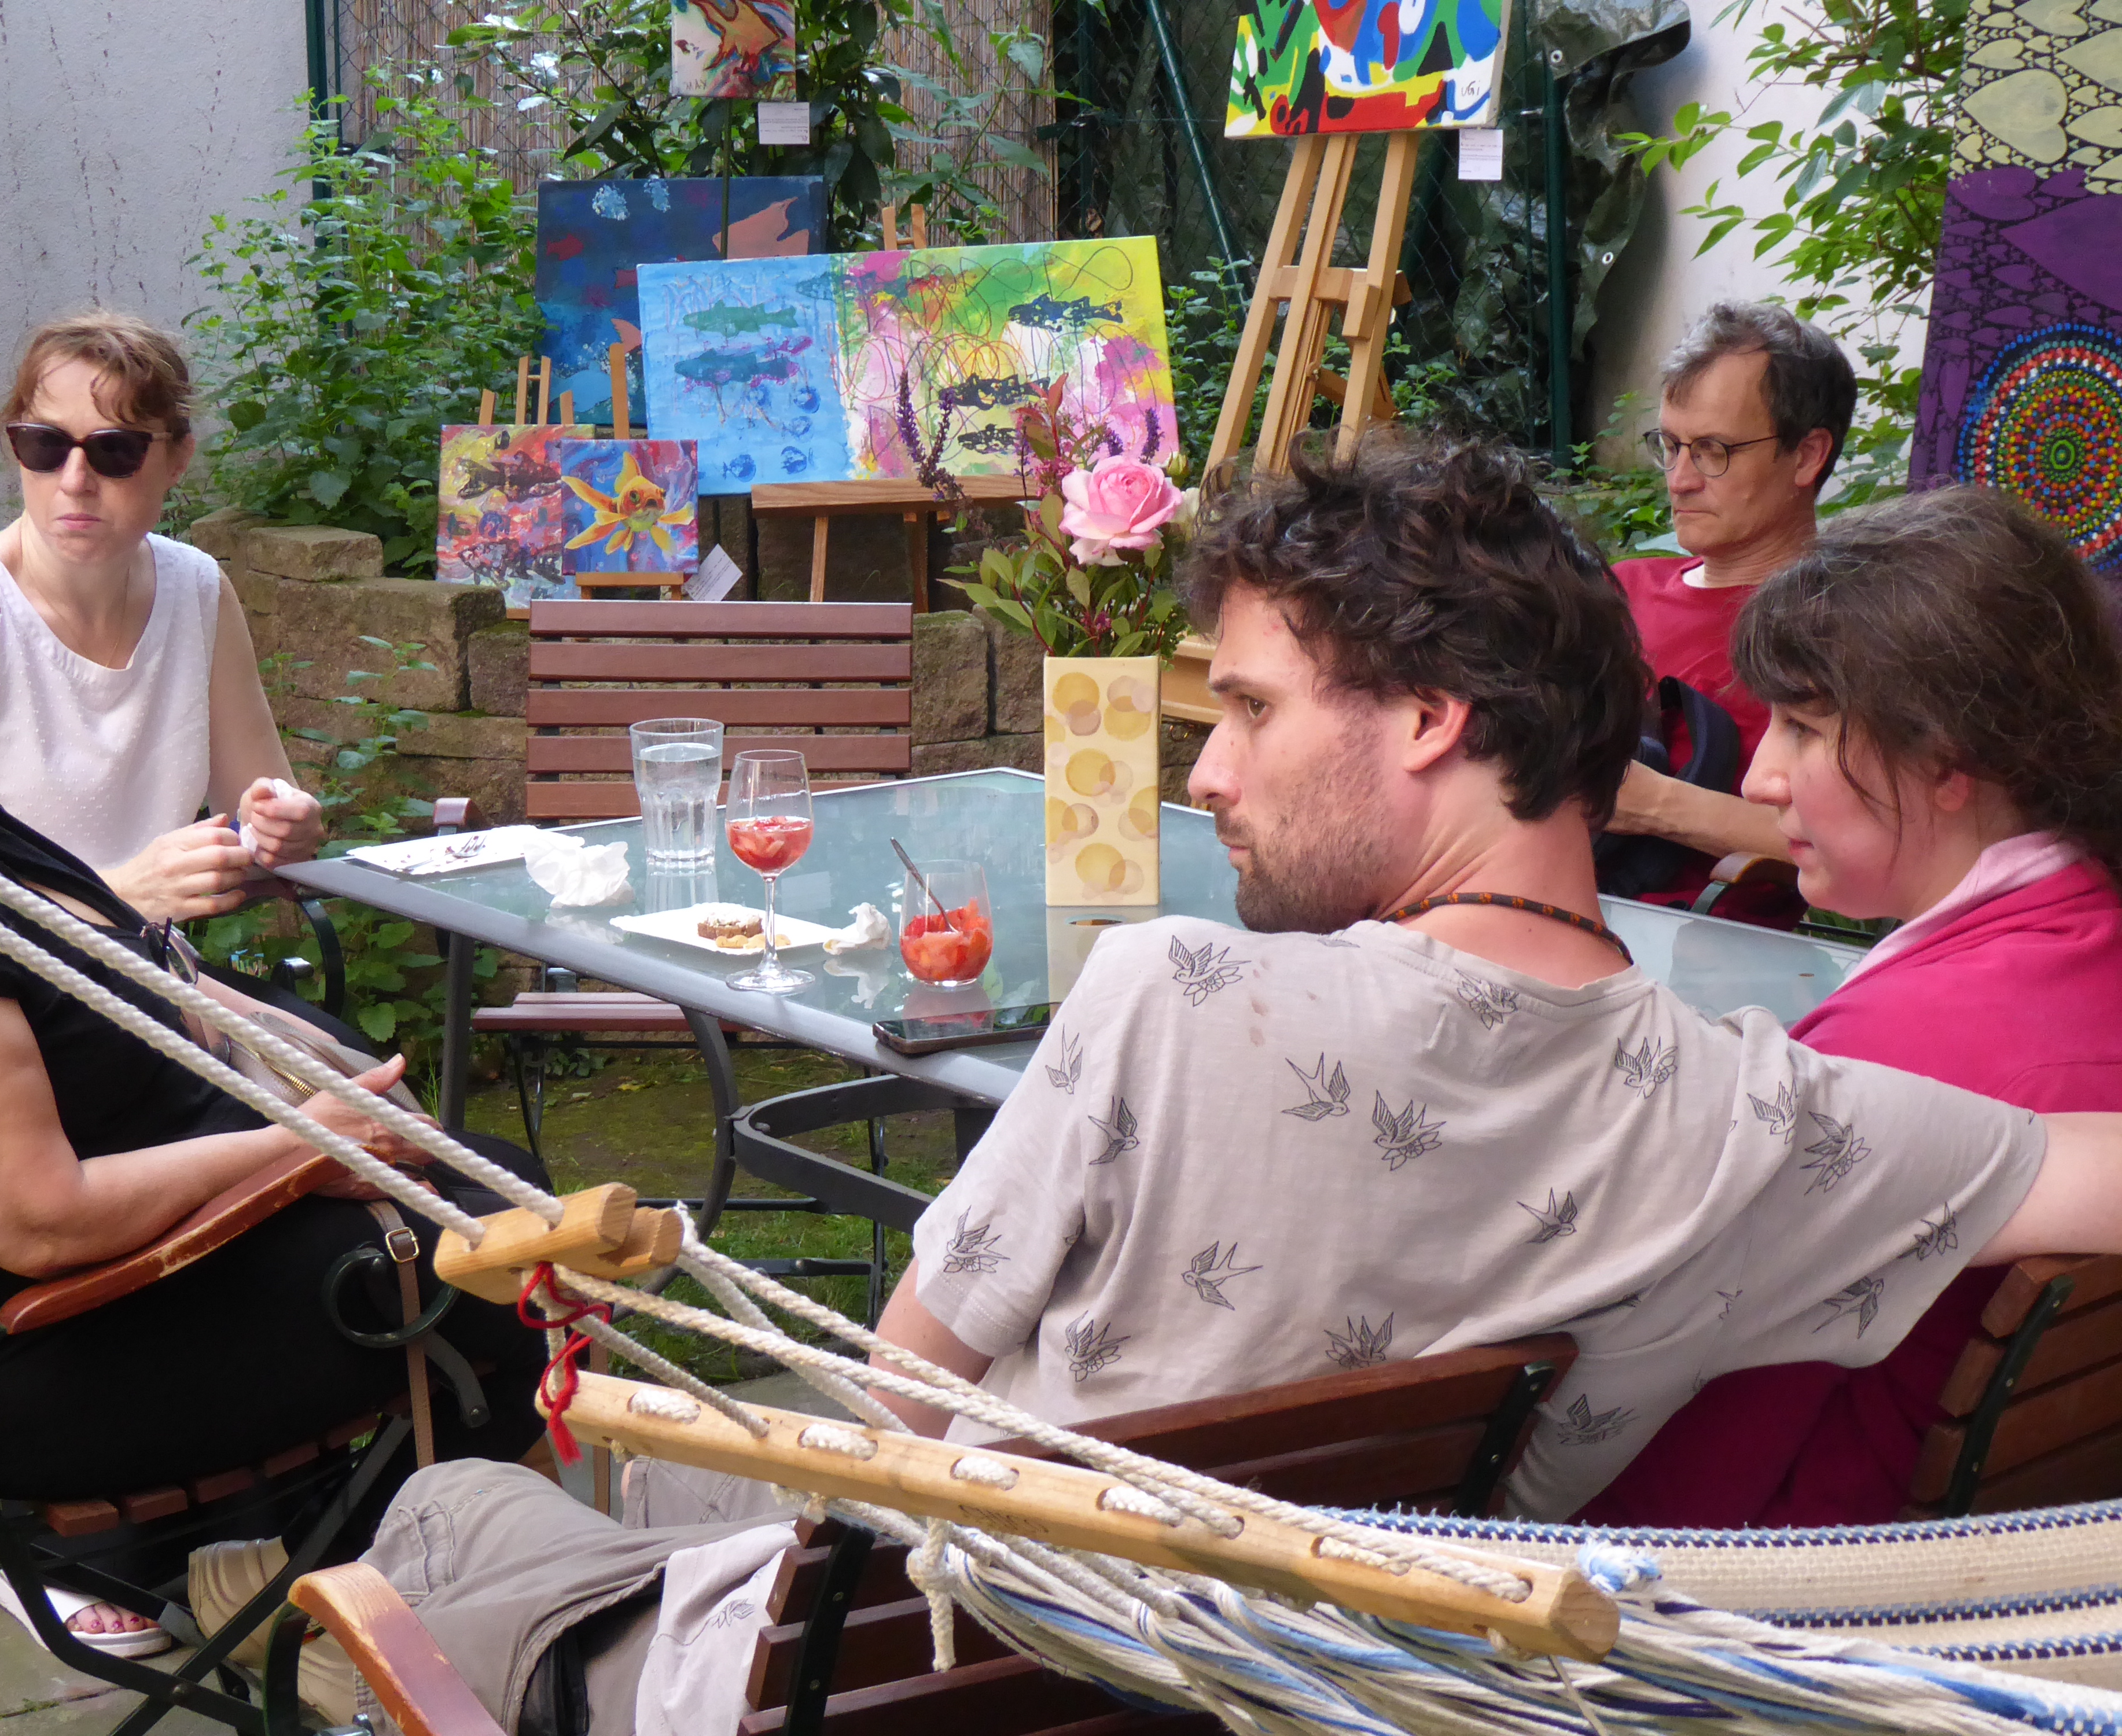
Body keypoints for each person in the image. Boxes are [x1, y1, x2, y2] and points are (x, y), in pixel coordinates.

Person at [340, 435, 2122, 1736]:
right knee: (649, 1490)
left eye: (1254, 711)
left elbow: (887, 1423)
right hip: (1295, 1686)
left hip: (910, 1674)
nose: (1208, 773)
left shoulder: (1172, 995)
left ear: (1430, 718)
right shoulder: (1761, 1121)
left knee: (446, 1510)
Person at [0, 475, 547, 1652]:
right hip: (38, 1358)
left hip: (128, 1279)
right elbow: (34, 1219)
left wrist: (299, 1084)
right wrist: (300, 1150)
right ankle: (350, 1617)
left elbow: (134, 968)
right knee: (505, 1261)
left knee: (501, 1198)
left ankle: (323, 1581)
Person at [1579, 487, 2122, 1528]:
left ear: (1947, 758)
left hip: (1803, 1578)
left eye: (1804, 727)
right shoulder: (2088, 933)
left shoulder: (1891, 1056)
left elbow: (1693, 1460)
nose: (1762, 778)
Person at [0, 310, 322, 923]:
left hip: (143, 966)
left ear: (178, 460)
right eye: (44, 445)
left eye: (115, 451)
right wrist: (116, 895)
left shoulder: (194, 588)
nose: (74, 480)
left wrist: (283, 829)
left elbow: (257, 822)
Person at [1598, 301, 1853, 921]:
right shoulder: (1618, 588)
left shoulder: (1843, 625)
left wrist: (1653, 804)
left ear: (1806, 455)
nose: (1679, 480)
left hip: (1694, 950)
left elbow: (1859, 845)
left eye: (1712, 450)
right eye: (1670, 445)